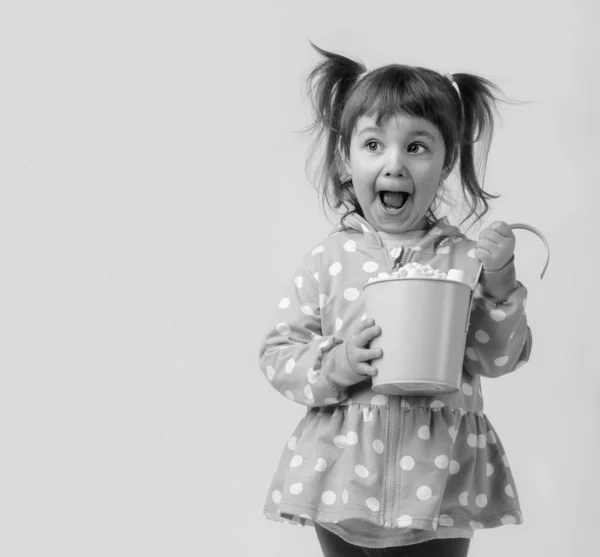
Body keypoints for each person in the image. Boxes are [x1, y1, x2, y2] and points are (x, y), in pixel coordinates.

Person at [258, 42, 532, 557]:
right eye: (374, 145)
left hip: (440, 486)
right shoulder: (328, 259)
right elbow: (278, 354)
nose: (394, 164)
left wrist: (498, 282)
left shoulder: (466, 259)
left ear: (447, 160)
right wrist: (334, 363)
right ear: (348, 156)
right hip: (341, 484)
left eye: (417, 147)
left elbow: (495, 359)